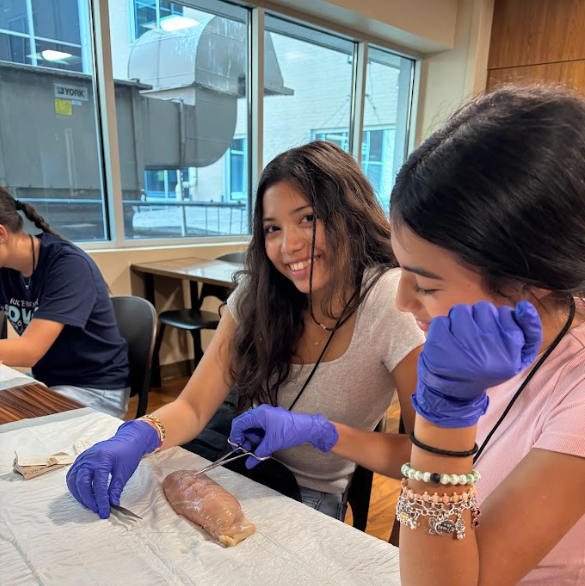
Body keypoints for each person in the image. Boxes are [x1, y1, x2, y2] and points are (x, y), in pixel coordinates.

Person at [230, 86, 585, 586]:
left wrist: (447, 408)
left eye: (426, 283)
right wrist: (320, 431)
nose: (402, 302)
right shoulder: (493, 336)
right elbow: (428, 462)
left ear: (525, 281)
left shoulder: (573, 391)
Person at [66, 141, 424, 520]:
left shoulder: (391, 300)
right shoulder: (259, 293)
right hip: (237, 468)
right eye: (273, 228)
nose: (290, 246)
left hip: (309, 496)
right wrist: (139, 435)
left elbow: (425, 458)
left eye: (307, 218)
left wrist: (322, 432)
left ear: (349, 213)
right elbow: (192, 405)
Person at [0, 189, 130, 417]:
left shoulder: (69, 265)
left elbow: (29, 351)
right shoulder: (6, 269)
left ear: (1, 234)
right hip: (49, 380)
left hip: (96, 389)